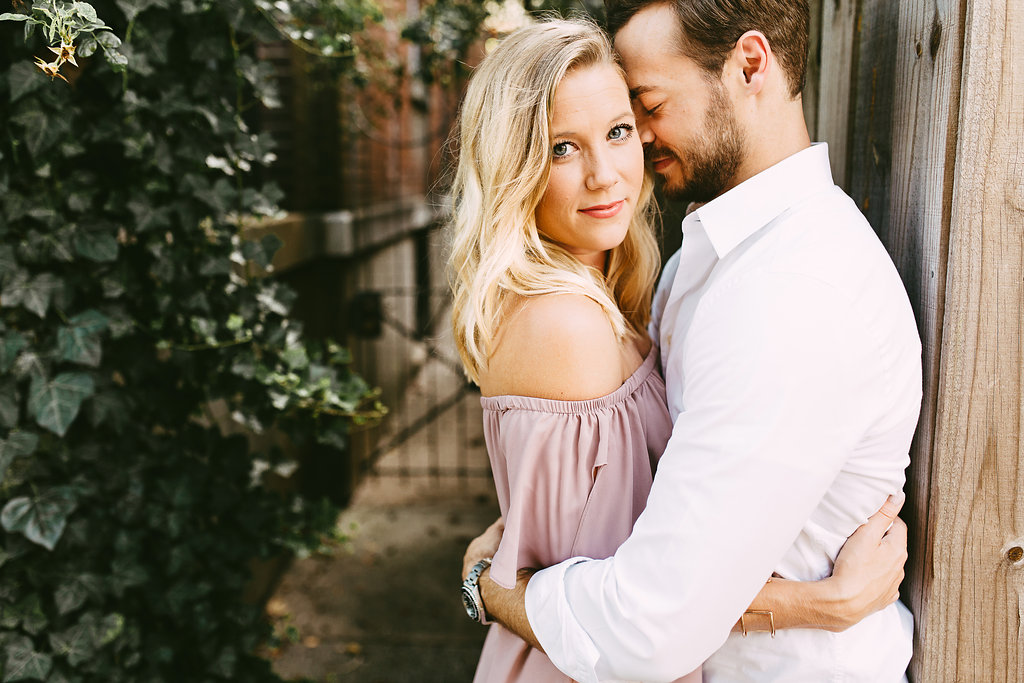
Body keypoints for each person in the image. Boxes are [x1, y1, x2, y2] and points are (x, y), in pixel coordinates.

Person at [449, 15, 914, 683]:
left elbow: (641, 610)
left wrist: (488, 583)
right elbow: (628, 591)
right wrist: (821, 603)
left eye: (641, 111)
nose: (631, 145)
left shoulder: (794, 290)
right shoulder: (687, 268)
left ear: (752, 66)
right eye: (562, 147)